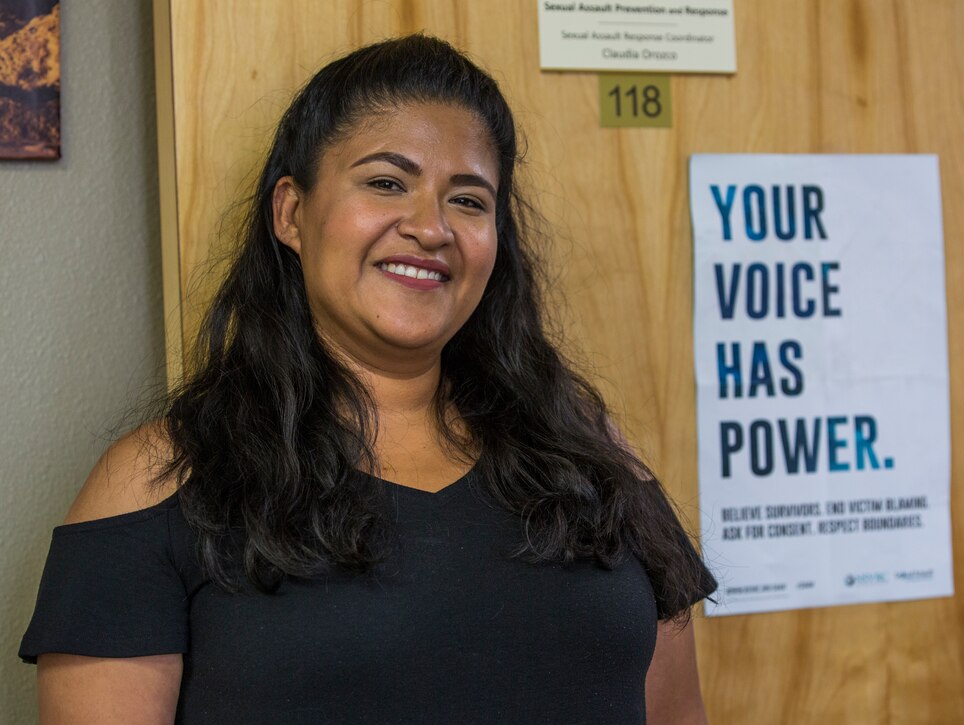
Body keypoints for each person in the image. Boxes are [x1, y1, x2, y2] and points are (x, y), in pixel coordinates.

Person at [20, 34, 717, 723]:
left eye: (470, 200)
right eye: (387, 182)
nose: (431, 226)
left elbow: (678, 714)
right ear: (290, 212)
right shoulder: (157, 483)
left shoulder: (593, 456)